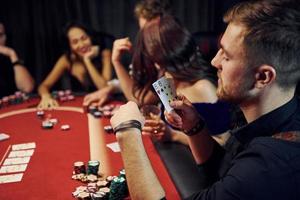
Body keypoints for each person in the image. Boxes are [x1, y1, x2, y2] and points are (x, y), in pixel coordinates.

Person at [110, 0, 300, 199]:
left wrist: (128, 132)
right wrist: (195, 127)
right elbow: (222, 169)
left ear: (262, 77)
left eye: (226, 56)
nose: (214, 61)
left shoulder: (266, 168)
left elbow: (242, 179)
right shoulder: (260, 113)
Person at [83, 0, 171, 107]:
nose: (147, 37)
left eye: (152, 30)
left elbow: (140, 99)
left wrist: (116, 62)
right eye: (143, 31)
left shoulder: (173, 56)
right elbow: (138, 88)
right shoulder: (146, 51)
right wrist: (112, 86)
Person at [38, 22, 113, 109]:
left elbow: (104, 88)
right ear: (69, 46)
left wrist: (87, 61)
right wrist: (46, 96)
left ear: (90, 37)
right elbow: (43, 86)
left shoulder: (105, 54)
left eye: (84, 38)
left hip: (101, 105)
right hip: (77, 106)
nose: (81, 44)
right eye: (75, 42)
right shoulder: (66, 60)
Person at [0, 22, 34, 97]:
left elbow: (27, 88)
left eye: (0, 35)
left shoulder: (9, 58)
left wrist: (12, 54)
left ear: (5, 37)